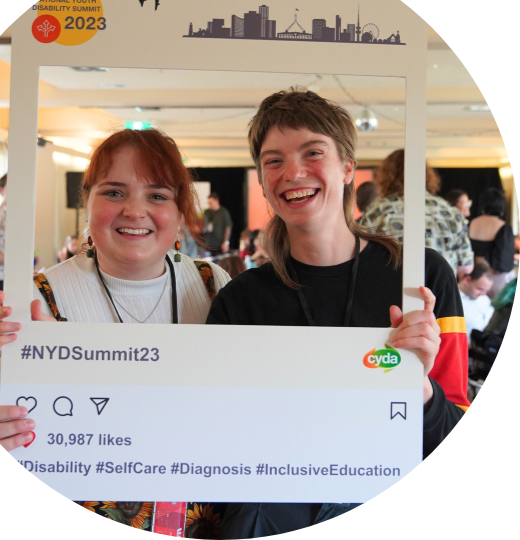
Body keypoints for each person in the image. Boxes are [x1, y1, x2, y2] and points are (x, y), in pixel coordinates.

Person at [206, 89, 468, 535]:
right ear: (262, 180)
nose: (292, 172)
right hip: (279, 503)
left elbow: (452, 419)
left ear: (347, 167)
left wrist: (419, 386)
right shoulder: (241, 299)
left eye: (313, 152)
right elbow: (218, 437)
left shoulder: (420, 279)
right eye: (273, 161)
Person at [0, 128, 231, 531]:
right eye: (114, 192)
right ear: (87, 203)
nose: (135, 211)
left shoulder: (213, 285)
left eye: (157, 195)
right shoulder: (32, 301)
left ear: (180, 210)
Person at [359, 149, 474, 278]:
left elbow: (362, 259)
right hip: (441, 292)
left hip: (393, 292)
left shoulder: (377, 210)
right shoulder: (450, 211)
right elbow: (466, 267)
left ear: (387, 176)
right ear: (426, 175)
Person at [468, 188, 516, 298]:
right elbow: (505, 262)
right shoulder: (503, 227)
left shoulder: (473, 223)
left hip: (473, 278)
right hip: (494, 280)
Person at [458, 261, 494, 344]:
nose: (483, 294)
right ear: (467, 280)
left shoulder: (484, 299)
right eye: (480, 289)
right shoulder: (452, 301)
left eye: (486, 290)